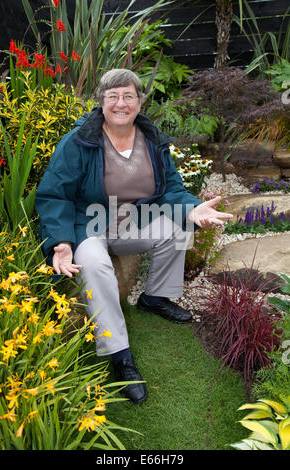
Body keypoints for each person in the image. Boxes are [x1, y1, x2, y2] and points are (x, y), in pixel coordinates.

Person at [35, 69, 232, 404]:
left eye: (128, 96)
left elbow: (170, 188)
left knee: (180, 226)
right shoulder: (79, 141)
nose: (121, 103)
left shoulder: (152, 140)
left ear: (140, 101)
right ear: (101, 102)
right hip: (89, 224)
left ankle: (154, 297)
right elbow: (55, 195)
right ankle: (120, 354)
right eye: (112, 96)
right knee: (95, 267)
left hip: (135, 220)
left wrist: (192, 209)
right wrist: (62, 242)